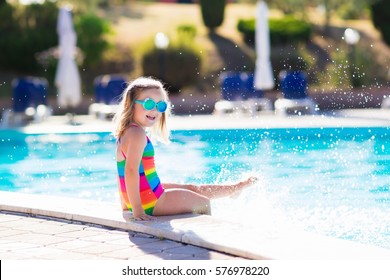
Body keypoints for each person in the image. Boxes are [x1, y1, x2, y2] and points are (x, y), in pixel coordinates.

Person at [113, 77, 257, 221]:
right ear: (131, 104)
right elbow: (130, 171)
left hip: (148, 194)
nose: (154, 111)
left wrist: (126, 204)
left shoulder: (127, 131)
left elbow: (121, 172)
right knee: (202, 203)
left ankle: (234, 188)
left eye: (160, 106)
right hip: (150, 201)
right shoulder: (137, 134)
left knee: (191, 189)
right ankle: (202, 239)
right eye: (149, 103)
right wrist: (137, 210)